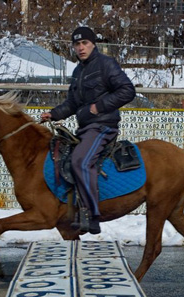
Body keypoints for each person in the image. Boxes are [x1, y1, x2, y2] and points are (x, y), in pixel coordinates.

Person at [41, 26, 136, 234]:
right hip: (85, 129)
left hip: (103, 126)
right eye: (77, 44)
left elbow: (128, 90)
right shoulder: (78, 71)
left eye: (85, 43)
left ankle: (92, 215)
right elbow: (72, 103)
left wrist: (99, 106)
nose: (81, 48)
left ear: (94, 44)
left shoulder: (106, 64)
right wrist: (54, 114)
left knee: (80, 161)